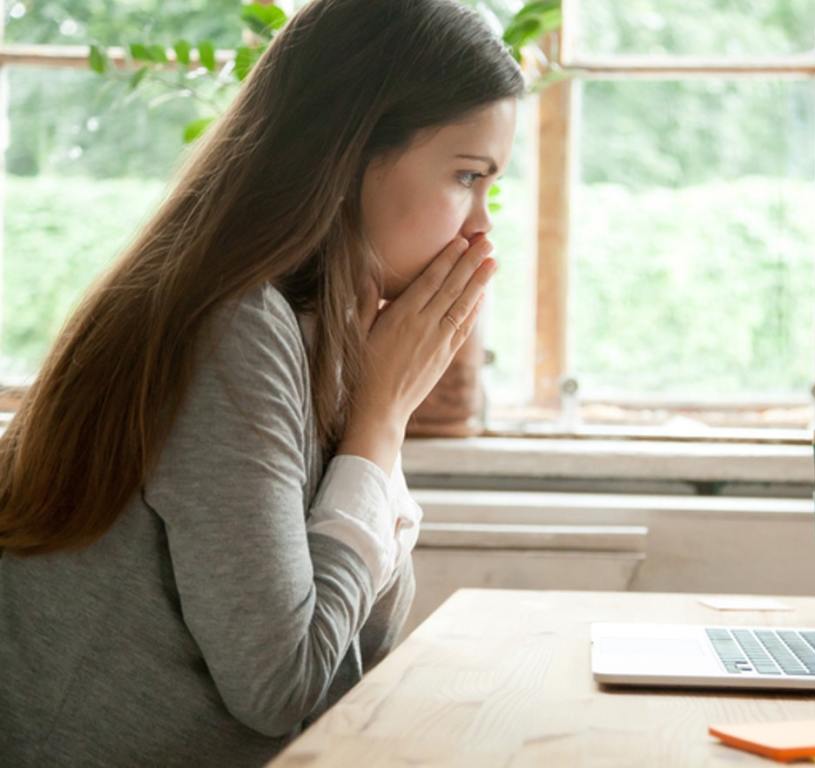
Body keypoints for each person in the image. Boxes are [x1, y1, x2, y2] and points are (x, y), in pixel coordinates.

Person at [0, 0, 522, 764]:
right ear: (348, 157)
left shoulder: (312, 327)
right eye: (467, 177)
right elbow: (286, 690)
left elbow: (355, 657)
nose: (480, 229)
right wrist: (378, 424)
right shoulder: (234, 328)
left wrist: (379, 407)